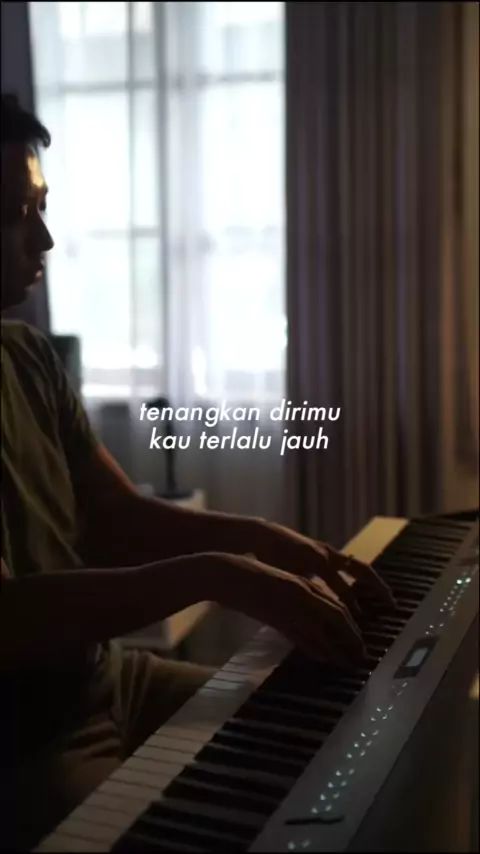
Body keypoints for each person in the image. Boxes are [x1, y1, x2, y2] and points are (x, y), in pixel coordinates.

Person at [0, 93, 392, 851]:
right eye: (18, 214)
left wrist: (269, 543)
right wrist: (217, 575)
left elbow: (118, 520)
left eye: (41, 207)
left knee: (338, 720)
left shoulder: (27, 357)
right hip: (27, 743)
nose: (43, 237)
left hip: (113, 681)